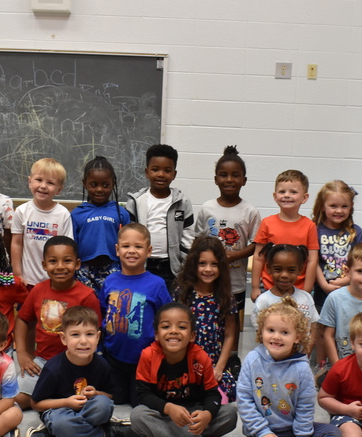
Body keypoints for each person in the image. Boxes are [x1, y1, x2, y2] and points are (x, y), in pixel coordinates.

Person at [238, 298, 342, 437]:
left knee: (334, 433)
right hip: (263, 431)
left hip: (294, 430)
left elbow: (305, 406)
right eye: (271, 330)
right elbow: (244, 399)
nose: (276, 337)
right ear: (261, 332)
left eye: (284, 332)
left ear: (297, 337)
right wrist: (261, 431)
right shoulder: (252, 359)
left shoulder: (302, 368)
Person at [130, 303, 239, 437]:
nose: (173, 331)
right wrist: (168, 408)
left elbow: (212, 393)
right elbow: (143, 395)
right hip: (164, 414)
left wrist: (207, 414)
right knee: (137, 416)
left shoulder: (201, 358)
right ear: (156, 334)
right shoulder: (148, 356)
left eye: (181, 327)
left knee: (230, 414)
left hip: (193, 414)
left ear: (192, 336)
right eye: (166, 326)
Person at [24, 306, 140, 437]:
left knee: (103, 405)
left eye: (89, 334)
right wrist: (66, 402)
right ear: (63, 339)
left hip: (88, 408)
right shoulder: (53, 368)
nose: (83, 341)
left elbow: (110, 396)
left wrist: (96, 394)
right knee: (63, 425)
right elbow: (36, 404)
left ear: (97, 337)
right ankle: (109, 433)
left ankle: (57, 436)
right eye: (75, 335)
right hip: (59, 411)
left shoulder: (102, 365)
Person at [14, 236, 101, 410]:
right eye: (53, 261)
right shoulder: (38, 290)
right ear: (44, 265)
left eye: (67, 261)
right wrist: (22, 353)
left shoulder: (87, 296)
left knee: (84, 402)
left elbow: (95, 333)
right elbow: (23, 319)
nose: (60, 266)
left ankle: (53, 398)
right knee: (18, 400)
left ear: (77, 264)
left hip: (77, 364)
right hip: (42, 361)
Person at [195, 145, 261, 371]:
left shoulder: (250, 211)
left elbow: (256, 244)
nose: (229, 179)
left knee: (232, 325)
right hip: (209, 282)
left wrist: (233, 255)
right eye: (223, 175)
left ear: (244, 180)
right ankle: (206, 360)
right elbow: (198, 241)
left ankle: (231, 360)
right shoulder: (206, 208)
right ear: (215, 179)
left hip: (235, 282)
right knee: (210, 323)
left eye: (235, 175)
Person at [100, 223, 172, 406]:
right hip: (113, 357)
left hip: (144, 360)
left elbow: (167, 319)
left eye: (138, 247)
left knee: (138, 403)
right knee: (116, 400)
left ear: (148, 251)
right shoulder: (110, 280)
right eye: (126, 246)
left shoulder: (157, 284)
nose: (131, 251)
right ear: (117, 250)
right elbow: (102, 312)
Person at [174, 236, 238, 401]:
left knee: (220, 399)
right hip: (184, 364)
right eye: (202, 263)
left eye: (214, 264)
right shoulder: (182, 294)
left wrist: (219, 368)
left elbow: (230, 334)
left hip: (213, 364)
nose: (208, 269)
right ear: (193, 264)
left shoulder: (226, 297)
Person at [125, 144, 195, 289]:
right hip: (142, 266)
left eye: (167, 170)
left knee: (169, 308)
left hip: (171, 269)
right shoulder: (136, 202)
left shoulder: (182, 202)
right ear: (147, 172)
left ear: (174, 174)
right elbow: (128, 236)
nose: (161, 174)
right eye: (155, 169)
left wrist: (184, 268)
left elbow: (188, 238)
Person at [318, 243, 362, 374]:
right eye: (360, 271)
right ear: (347, 271)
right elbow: (328, 336)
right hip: (340, 365)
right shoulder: (335, 299)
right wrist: (338, 367)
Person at [251, 170, 319, 301]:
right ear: (275, 196)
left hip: (298, 289)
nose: (287, 195)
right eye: (282, 192)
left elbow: (312, 261)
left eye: (293, 192)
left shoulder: (310, 226)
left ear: (304, 198)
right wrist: (254, 287)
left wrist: (307, 291)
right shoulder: (267, 223)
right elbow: (258, 257)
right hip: (269, 287)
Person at [71, 156, 130, 297]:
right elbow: (72, 246)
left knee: (112, 307)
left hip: (114, 269)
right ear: (84, 183)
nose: (99, 189)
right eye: (94, 184)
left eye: (105, 185)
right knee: (87, 309)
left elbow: (128, 243)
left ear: (113, 183)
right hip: (84, 270)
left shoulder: (121, 213)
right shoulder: (77, 213)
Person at [11, 158, 74, 287]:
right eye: (39, 180)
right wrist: (17, 273)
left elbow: (67, 248)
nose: (43, 186)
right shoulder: (21, 211)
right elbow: (17, 244)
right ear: (29, 181)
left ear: (59, 190)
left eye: (50, 183)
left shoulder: (63, 214)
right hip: (27, 280)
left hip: (54, 280)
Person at [311, 180, 362, 311]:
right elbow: (312, 261)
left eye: (344, 206)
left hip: (350, 291)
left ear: (351, 206)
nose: (339, 211)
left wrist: (347, 279)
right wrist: (324, 285)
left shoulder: (356, 232)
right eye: (333, 206)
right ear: (323, 206)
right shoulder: (314, 230)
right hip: (322, 292)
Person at [251, 244, 319, 334]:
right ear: (268, 268)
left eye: (291, 270)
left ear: (300, 269)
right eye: (278, 269)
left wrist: (307, 348)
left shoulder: (306, 298)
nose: (284, 275)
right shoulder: (263, 300)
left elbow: (313, 327)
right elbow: (260, 332)